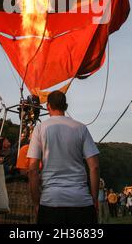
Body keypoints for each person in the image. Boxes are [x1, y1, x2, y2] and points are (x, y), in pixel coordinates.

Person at [27, 90, 100, 225]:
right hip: (81, 201)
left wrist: (37, 203)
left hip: (50, 202)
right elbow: (94, 167)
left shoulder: (40, 129)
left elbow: (32, 170)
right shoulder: (81, 128)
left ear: (48, 106)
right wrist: (94, 198)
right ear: (66, 106)